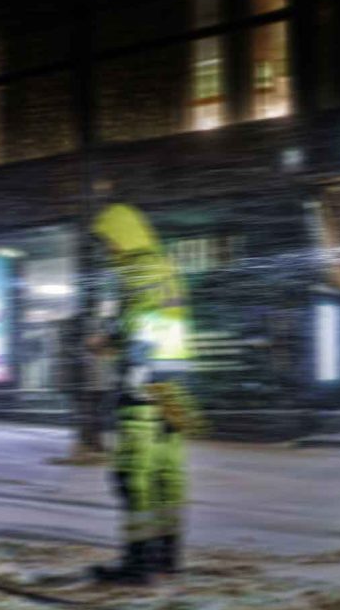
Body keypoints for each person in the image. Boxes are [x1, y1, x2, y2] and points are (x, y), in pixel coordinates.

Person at [88, 203, 197, 585]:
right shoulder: (167, 269)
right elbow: (166, 325)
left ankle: (139, 564)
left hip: (146, 388)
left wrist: (112, 345)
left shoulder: (138, 268)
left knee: (133, 476)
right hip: (174, 390)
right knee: (168, 477)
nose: (108, 250)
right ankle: (169, 558)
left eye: (108, 242)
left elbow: (141, 326)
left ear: (122, 236)